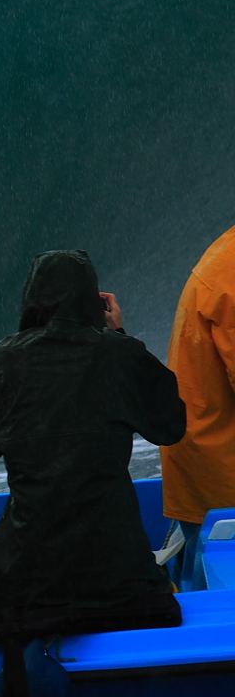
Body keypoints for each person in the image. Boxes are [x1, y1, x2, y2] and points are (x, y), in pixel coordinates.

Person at [0, 251, 185, 693]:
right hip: (119, 576)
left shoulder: (0, 361)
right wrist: (117, 334)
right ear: (92, 302)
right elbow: (169, 426)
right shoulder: (118, 354)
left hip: (26, 582)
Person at [161, 224, 235, 581]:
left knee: (202, 584)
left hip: (201, 467)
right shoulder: (229, 272)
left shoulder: (224, 257)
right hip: (224, 480)